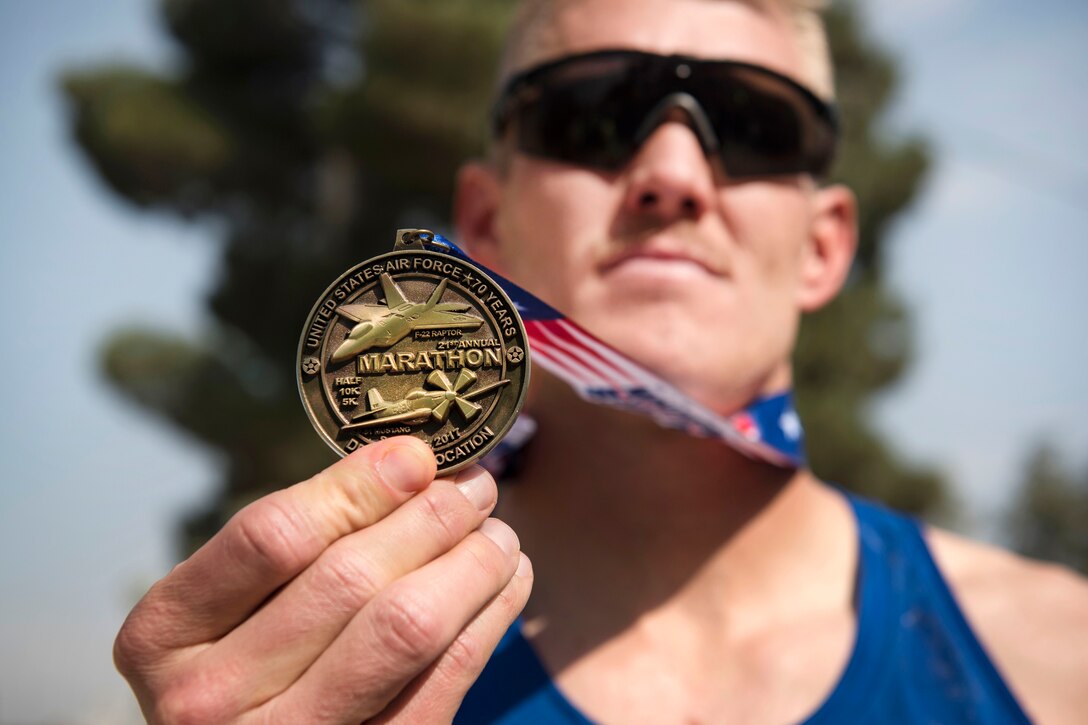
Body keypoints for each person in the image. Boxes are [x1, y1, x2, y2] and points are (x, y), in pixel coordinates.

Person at [113, 0, 1088, 722]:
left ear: (825, 245)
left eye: (749, 124)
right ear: (485, 223)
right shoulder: (300, 662)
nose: (669, 175)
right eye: (588, 115)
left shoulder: (1057, 657)